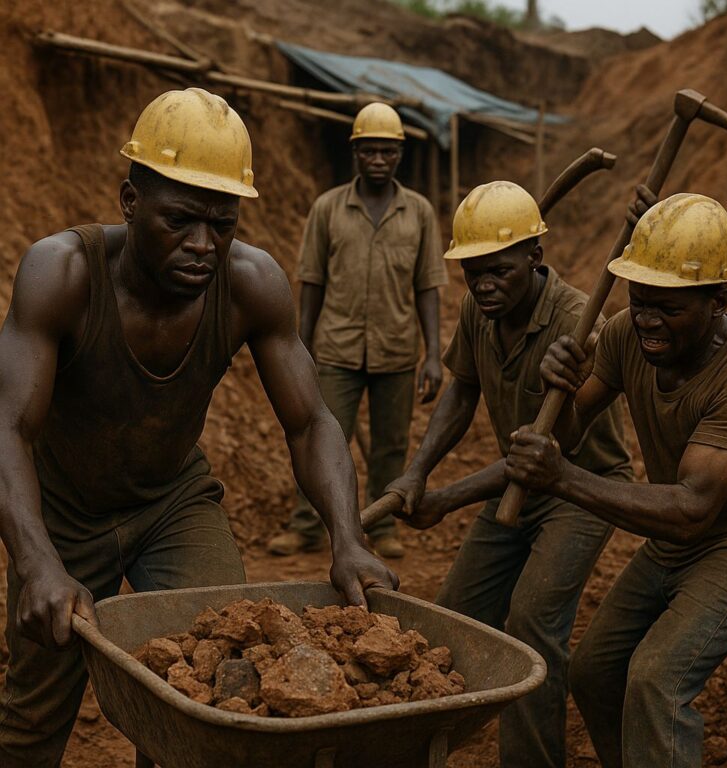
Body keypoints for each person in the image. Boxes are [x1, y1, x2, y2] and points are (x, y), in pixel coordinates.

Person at [0, 87, 397, 768]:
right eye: (180, 221)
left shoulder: (251, 284)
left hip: (172, 503)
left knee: (212, 679)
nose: (202, 246)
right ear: (131, 201)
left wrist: (348, 538)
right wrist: (37, 564)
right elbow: (8, 425)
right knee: (33, 715)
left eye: (222, 224)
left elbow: (310, 422)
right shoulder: (62, 273)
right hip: (64, 509)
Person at [504, 192, 727, 768]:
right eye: (639, 299)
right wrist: (559, 387)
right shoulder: (627, 333)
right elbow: (571, 430)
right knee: (595, 672)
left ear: (719, 301)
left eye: (668, 308)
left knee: (656, 680)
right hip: (671, 541)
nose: (648, 320)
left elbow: (692, 509)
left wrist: (561, 478)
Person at [386, 181, 633, 768]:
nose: (484, 285)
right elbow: (461, 390)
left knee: (532, 623)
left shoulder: (577, 324)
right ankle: (424, 750)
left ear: (535, 258)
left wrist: (445, 499)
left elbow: (542, 451)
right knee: (456, 617)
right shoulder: (479, 309)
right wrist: (417, 473)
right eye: (473, 273)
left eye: (499, 271)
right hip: (519, 482)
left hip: (581, 488)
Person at [267, 102, 447, 560]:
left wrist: (432, 354)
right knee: (320, 437)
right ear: (356, 153)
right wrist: (301, 345)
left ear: (400, 154)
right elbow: (311, 281)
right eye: (369, 151)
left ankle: (382, 526)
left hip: (396, 349)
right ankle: (307, 525)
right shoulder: (328, 208)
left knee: (391, 446)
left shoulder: (419, 213)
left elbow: (428, 286)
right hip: (336, 349)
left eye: (387, 151)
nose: (378, 160)